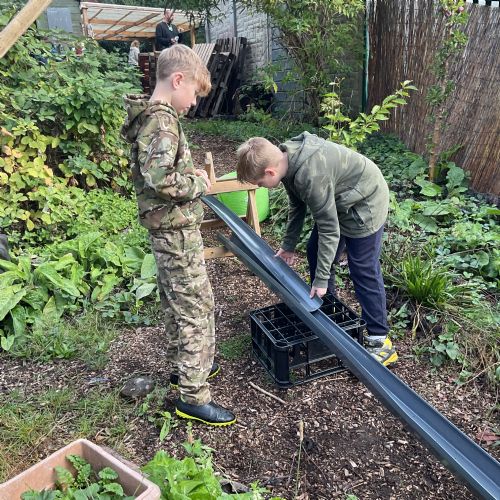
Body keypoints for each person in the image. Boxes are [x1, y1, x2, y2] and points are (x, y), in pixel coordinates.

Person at [121, 45, 236, 426]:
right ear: (178, 80)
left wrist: (189, 176)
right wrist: (198, 184)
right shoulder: (162, 122)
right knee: (196, 308)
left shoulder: (152, 117)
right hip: (175, 229)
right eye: (194, 94)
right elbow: (161, 179)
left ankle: (185, 364)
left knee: (175, 301)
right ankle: (194, 395)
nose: (194, 103)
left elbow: (159, 172)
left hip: (166, 228)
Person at [236, 133, 398, 366]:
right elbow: (297, 205)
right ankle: (329, 311)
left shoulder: (311, 176)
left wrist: (320, 279)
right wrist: (288, 246)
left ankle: (379, 340)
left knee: (362, 268)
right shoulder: (286, 159)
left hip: (365, 202)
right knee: (314, 250)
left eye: (260, 184)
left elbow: (329, 230)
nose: (261, 187)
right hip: (340, 200)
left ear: (270, 172)